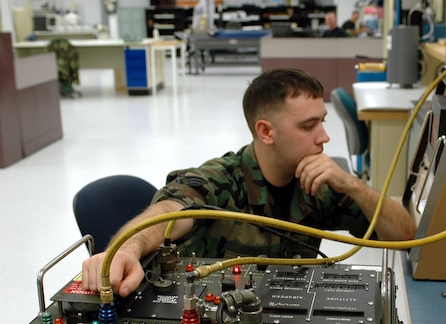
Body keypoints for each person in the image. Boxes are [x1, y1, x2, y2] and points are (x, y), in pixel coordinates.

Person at [82, 68, 416, 297]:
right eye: (309, 126)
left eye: (322, 122)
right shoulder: (218, 180)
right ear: (266, 132)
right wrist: (124, 250)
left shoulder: (319, 182)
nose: (324, 137)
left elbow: (404, 234)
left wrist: (355, 186)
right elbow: (169, 212)